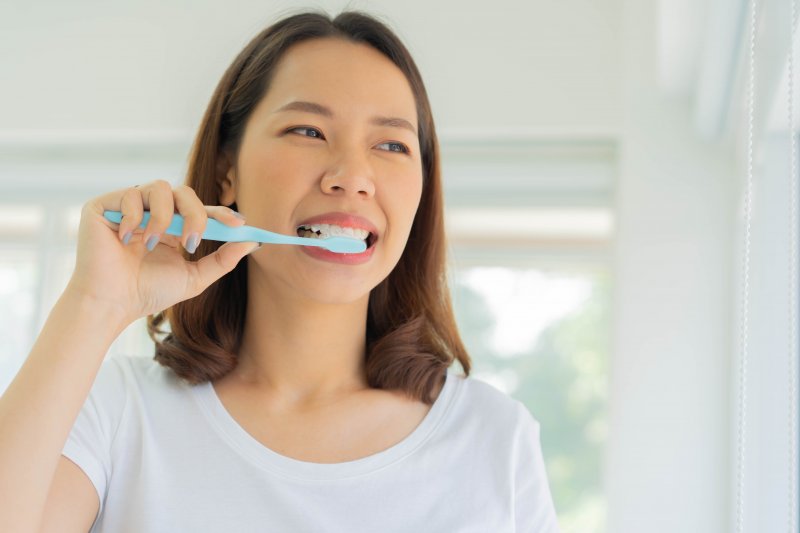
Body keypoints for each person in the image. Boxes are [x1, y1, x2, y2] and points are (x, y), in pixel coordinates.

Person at [0, 10, 560, 533]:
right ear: (227, 173)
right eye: (308, 132)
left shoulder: (496, 440)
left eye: (391, 144)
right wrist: (95, 303)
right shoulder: (118, 413)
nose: (352, 176)